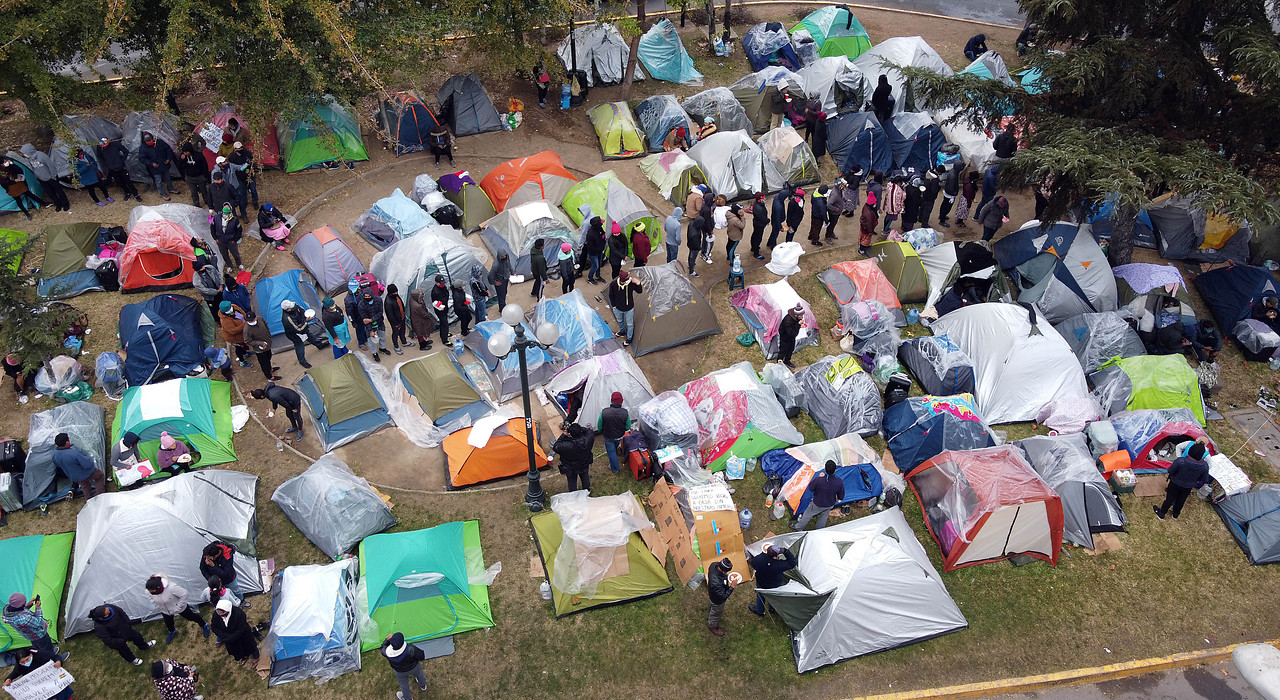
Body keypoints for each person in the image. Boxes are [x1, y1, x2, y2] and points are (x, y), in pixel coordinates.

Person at [145, 575, 209, 645]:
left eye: (151, 590)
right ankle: (172, 631)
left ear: (158, 587)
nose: (149, 592)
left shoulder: (171, 588)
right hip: (165, 610)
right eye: (149, 590)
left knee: (191, 617)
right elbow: (151, 599)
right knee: (168, 623)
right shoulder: (149, 591)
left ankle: (203, 625)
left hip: (180, 608)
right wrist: (159, 607)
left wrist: (178, 607)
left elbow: (184, 594)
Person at [1155, 443, 1212, 520]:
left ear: (1190, 451)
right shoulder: (1204, 466)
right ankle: (1175, 515)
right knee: (1181, 499)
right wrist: (1194, 481)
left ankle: (1162, 513)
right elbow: (1203, 479)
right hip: (1188, 486)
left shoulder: (1180, 461)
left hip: (1175, 483)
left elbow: (1170, 470)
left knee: (1170, 498)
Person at [2, 593, 65, 661]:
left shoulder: (9, 611)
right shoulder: (23, 619)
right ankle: (54, 658)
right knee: (46, 646)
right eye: (24, 602)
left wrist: (27, 606)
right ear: (20, 605)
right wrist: (38, 608)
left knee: (40, 647)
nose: (25, 602)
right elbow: (38, 622)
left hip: (31, 636)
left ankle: (50, 651)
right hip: (39, 635)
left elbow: (20, 611)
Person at [90, 603, 156, 665]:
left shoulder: (110, 607)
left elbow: (121, 612)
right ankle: (132, 659)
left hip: (126, 630)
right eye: (107, 612)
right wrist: (120, 641)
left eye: (108, 609)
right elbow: (108, 640)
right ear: (103, 617)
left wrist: (128, 623)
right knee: (124, 651)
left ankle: (144, 646)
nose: (109, 611)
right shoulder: (99, 626)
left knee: (138, 637)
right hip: (118, 639)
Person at [793, 460, 846, 530]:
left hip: (817, 504)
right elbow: (841, 496)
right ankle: (819, 530)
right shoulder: (839, 482)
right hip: (830, 504)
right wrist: (838, 498)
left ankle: (798, 527)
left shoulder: (819, 480)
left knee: (807, 515)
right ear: (835, 470)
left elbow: (811, 488)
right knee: (824, 517)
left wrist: (818, 477)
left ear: (825, 469)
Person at [747, 544, 797, 615]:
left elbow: (753, 563)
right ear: (775, 557)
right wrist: (786, 551)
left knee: (760, 596)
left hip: (761, 582)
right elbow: (793, 562)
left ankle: (760, 611)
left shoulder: (759, 559)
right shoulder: (779, 565)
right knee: (773, 596)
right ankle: (772, 608)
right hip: (775, 584)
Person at [53, 433, 106, 500]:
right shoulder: (74, 453)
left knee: (85, 485)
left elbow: (57, 464)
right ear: (67, 442)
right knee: (100, 476)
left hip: (74, 476)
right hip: (85, 473)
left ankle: (89, 499)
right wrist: (91, 460)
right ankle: (100, 494)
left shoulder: (54, 454)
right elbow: (87, 464)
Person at [5, 647, 72, 700]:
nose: (25, 662)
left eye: (27, 659)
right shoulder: (20, 666)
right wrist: (9, 678)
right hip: (40, 687)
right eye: (22, 662)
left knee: (62, 692)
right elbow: (15, 672)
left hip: (52, 679)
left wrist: (58, 661)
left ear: (30, 655)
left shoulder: (41, 654)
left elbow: (55, 657)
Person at [19, 144, 70, 212]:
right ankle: (58, 204)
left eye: (24, 153)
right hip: (41, 179)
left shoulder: (41, 155)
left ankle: (65, 204)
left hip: (51, 177)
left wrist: (53, 176)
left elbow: (51, 166)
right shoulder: (29, 158)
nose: (24, 155)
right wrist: (37, 176)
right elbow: (33, 168)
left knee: (59, 191)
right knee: (50, 193)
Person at [210, 600, 258, 667]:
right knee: (237, 650)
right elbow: (214, 627)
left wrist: (232, 637)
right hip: (229, 638)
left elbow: (241, 628)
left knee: (250, 646)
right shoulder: (216, 614)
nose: (221, 615)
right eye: (219, 613)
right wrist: (225, 636)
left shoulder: (239, 614)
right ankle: (244, 656)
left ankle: (256, 657)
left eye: (223, 612)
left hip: (243, 635)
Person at [382, 632, 429, 700]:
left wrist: (387, 640)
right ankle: (423, 686)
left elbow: (383, 647)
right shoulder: (411, 649)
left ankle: (408, 698)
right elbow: (421, 656)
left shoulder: (386, 652)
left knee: (404, 685)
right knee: (420, 675)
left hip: (399, 672)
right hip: (414, 667)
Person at [553, 421, 595, 493]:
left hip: (570, 467)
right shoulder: (587, 440)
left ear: (570, 434)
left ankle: (573, 495)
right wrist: (578, 429)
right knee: (585, 477)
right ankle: (586, 491)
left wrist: (564, 435)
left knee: (572, 481)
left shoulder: (567, 445)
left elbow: (556, 446)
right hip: (584, 463)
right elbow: (590, 431)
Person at [95, 136, 140, 202]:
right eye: (103, 146)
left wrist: (122, 160)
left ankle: (136, 195)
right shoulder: (99, 148)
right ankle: (127, 192)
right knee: (120, 182)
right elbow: (99, 156)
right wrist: (107, 163)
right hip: (112, 169)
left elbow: (126, 151)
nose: (104, 147)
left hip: (121, 167)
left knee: (128, 182)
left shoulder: (115, 144)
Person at [597, 391, 631, 474]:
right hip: (619, 435)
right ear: (621, 401)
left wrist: (600, 431)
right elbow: (628, 427)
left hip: (608, 436)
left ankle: (615, 469)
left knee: (611, 452)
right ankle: (615, 457)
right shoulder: (625, 413)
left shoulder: (604, 412)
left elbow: (599, 426)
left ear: (611, 401)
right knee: (615, 446)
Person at [243, 313, 281, 381]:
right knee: (264, 363)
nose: (251, 322)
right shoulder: (247, 330)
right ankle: (269, 376)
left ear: (256, 318)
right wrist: (260, 343)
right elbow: (248, 341)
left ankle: (270, 369)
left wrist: (268, 336)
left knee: (269, 357)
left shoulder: (260, 319)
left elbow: (266, 326)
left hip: (268, 345)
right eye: (249, 321)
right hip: (259, 349)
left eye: (252, 320)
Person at [139, 132, 176, 200]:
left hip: (164, 164)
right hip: (155, 168)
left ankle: (170, 188)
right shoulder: (143, 148)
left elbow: (168, 149)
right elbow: (142, 159)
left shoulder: (160, 143)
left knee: (168, 177)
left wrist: (168, 158)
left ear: (153, 138)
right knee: (158, 181)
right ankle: (162, 193)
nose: (149, 142)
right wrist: (151, 163)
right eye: (147, 141)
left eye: (150, 140)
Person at [357, 283, 388, 361]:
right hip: (369, 326)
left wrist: (371, 320)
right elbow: (364, 319)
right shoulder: (361, 305)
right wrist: (370, 330)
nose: (367, 298)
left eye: (369, 296)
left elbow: (380, 312)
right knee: (371, 340)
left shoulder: (378, 300)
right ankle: (374, 353)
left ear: (372, 295)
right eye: (365, 297)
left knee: (382, 335)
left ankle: (382, 348)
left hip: (379, 322)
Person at [706, 558, 735, 637]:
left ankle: (709, 616)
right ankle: (712, 625)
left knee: (712, 605)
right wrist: (732, 587)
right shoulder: (716, 583)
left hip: (712, 594)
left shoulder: (714, 565)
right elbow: (723, 596)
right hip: (718, 599)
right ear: (723, 570)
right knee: (716, 612)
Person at [279, 300, 313, 368]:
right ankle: (302, 361)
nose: (294, 307)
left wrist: (306, 317)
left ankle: (320, 345)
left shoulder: (294, 306)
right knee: (299, 346)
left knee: (310, 336)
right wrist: (306, 321)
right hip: (294, 334)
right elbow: (298, 330)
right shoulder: (287, 319)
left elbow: (303, 310)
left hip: (302, 327)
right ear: (287, 310)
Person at [218, 301, 251, 367]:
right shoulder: (225, 320)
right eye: (230, 312)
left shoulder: (234, 306)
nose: (232, 312)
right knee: (239, 348)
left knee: (244, 345)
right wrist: (244, 324)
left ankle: (245, 353)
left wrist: (246, 318)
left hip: (243, 332)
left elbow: (242, 312)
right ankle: (242, 361)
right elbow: (233, 331)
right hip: (235, 338)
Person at [210, 205, 243, 270]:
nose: (226, 208)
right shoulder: (216, 218)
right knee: (224, 255)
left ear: (230, 210)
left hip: (231, 241)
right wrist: (215, 238)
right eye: (224, 207)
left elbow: (239, 230)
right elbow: (212, 229)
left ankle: (239, 264)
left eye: (227, 207)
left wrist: (235, 239)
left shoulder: (234, 219)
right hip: (221, 241)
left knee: (235, 254)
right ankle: (230, 266)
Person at [228, 142, 257, 213]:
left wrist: (252, 169)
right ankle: (245, 202)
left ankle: (255, 201)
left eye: (241, 147)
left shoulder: (247, 153)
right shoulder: (232, 157)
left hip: (250, 175)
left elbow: (253, 162)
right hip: (240, 177)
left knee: (253, 189)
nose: (240, 149)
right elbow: (233, 167)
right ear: (235, 149)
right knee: (242, 191)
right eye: (238, 148)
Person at [178, 142, 209, 208]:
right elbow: (180, 166)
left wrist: (206, 176)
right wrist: (181, 160)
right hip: (189, 177)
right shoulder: (183, 156)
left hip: (200, 177)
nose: (185, 153)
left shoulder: (199, 155)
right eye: (184, 152)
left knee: (204, 191)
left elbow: (204, 166)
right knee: (193, 192)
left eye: (186, 152)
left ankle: (207, 201)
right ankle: (196, 204)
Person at [382, 285, 408, 354]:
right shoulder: (388, 302)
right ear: (391, 293)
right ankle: (396, 346)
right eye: (395, 292)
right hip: (396, 322)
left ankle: (404, 342)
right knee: (395, 333)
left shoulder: (396, 296)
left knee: (403, 331)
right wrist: (395, 323)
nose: (396, 293)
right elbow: (390, 315)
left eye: (396, 291)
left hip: (401, 318)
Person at [344, 279, 369, 350]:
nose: (359, 289)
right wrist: (353, 322)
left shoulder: (359, 292)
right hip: (357, 318)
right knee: (359, 330)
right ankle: (361, 343)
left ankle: (366, 337)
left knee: (365, 327)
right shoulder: (348, 300)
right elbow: (349, 313)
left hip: (363, 314)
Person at [777, 304, 803, 368]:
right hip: (785, 336)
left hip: (791, 336)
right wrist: (798, 325)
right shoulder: (788, 320)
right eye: (801, 315)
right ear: (796, 315)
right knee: (783, 349)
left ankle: (787, 361)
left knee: (791, 348)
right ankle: (779, 362)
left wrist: (798, 324)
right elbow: (793, 333)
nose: (802, 317)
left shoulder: (796, 317)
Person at [430, 275, 452, 345]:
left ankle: (445, 333)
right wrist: (440, 305)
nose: (443, 284)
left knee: (445, 322)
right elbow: (435, 303)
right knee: (444, 324)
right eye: (441, 283)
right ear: (436, 283)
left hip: (444, 307)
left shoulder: (442, 287)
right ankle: (444, 339)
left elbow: (446, 293)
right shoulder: (435, 291)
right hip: (440, 310)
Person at [749, 192, 769, 259]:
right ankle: (756, 253)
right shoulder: (758, 208)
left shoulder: (757, 204)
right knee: (758, 238)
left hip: (756, 222)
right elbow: (762, 218)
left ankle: (753, 247)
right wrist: (768, 220)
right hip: (759, 224)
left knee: (754, 235)